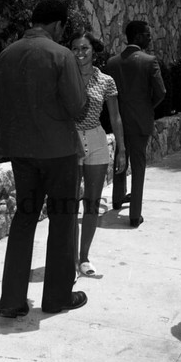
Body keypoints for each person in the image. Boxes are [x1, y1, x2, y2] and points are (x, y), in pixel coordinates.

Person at [0, 0, 88, 317]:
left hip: (21, 151)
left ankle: (11, 300)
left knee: (24, 219)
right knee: (62, 221)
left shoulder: (6, 55)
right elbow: (78, 107)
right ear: (58, 25)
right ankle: (58, 297)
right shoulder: (62, 55)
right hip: (59, 152)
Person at [70, 32, 126, 277]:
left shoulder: (106, 81)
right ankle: (69, 258)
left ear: (93, 50)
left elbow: (115, 117)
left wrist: (121, 149)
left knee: (91, 204)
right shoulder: (65, 76)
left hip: (96, 139)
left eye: (84, 48)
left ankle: (84, 258)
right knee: (69, 205)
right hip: (69, 141)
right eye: (75, 48)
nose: (80, 53)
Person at [104, 21, 166, 227]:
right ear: (138, 37)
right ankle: (134, 214)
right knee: (138, 167)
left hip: (119, 120)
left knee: (120, 158)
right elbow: (161, 92)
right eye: (147, 34)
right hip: (141, 121)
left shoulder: (112, 63)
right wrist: (148, 107)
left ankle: (117, 198)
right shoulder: (150, 61)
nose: (150, 38)